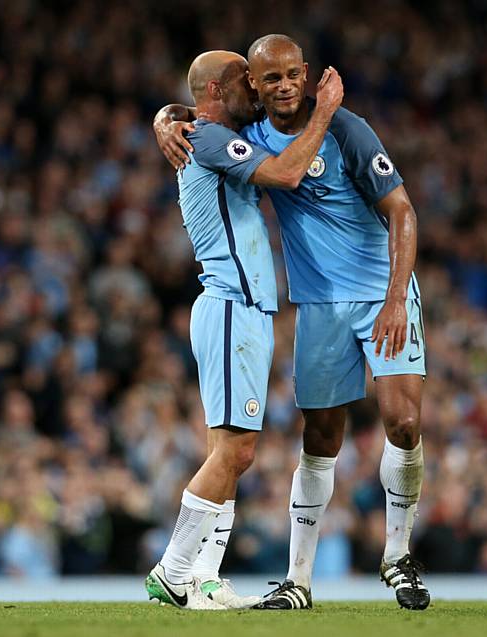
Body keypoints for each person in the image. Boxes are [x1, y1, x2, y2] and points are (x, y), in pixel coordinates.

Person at [156, 34, 429, 611]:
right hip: (311, 305)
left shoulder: (348, 130)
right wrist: (168, 116)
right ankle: (294, 580)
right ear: (250, 86)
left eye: (291, 76)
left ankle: (397, 557)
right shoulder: (243, 135)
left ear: (305, 74)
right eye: (266, 79)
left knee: (402, 422)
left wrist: (398, 297)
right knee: (312, 441)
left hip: (381, 294)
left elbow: (402, 209)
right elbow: (259, 159)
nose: (281, 88)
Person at [146, 49, 343, 610]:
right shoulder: (207, 138)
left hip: (242, 311)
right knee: (236, 452)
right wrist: (325, 110)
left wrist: (163, 115)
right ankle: (174, 569)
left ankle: (205, 580)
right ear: (214, 91)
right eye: (243, 82)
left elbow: (186, 111)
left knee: (231, 452)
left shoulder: (203, 130)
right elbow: (284, 172)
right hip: (231, 305)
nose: (256, 92)